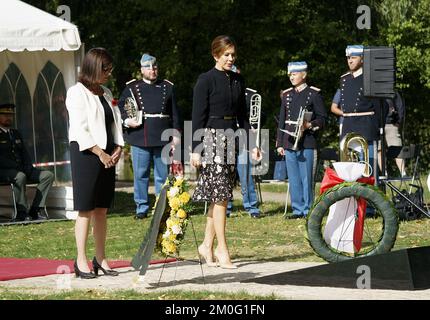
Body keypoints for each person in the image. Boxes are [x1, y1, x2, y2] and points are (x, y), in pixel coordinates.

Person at [191, 35, 259, 269]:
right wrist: (196, 150)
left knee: (219, 197)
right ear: (216, 55)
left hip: (232, 139)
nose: (231, 58)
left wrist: (253, 144)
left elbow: (243, 117)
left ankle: (206, 245)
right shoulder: (205, 80)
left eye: (233, 54)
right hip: (210, 140)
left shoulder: (239, 80)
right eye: (226, 54)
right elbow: (198, 116)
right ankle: (222, 250)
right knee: (221, 197)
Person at [66, 47, 124, 279]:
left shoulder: (107, 92)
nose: (108, 73)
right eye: (105, 69)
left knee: (102, 209)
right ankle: (80, 260)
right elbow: (80, 129)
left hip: (108, 155)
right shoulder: (76, 92)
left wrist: (119, 147)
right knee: (86, 208)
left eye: (109, 69)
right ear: (93, 68)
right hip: (86, 154)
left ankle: (100, 258)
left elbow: (115, 123)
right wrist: (100, 153)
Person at [118, 53, 181, 219]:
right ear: (141, 70)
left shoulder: (167, 87)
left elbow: (175, 114)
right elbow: (122, 109)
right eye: (148, 67)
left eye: (155, 67)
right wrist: (126, 121)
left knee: (162, 176)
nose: (152, 70)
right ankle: (141, 207)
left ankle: (161, 207)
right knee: (140, 175)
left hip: (162, 136)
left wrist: (176, 136)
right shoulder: (132, 88)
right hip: (140, 137)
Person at [276, 61, 326, 219]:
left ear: (303, 75)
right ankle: (297, 209)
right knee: (294, 178)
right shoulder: (287, 95)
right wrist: (279, 143)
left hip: (307, 141)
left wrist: (309, 124)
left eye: (295, 74)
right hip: (289, 141)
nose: (291, 77)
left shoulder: (314, 94)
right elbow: (282, 121)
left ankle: (308, 209)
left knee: (306, 178)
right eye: (290, 74)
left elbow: (323, 118)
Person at [330, 45, 382, 181]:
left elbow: (379, 107)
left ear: (362, 59)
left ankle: (370, 201)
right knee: (349, 169)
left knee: (368, 169)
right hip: (348, 126)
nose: (350, 61)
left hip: (366, 126)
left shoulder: (370, 78)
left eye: (353, 57)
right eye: (348, 58)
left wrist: (376, 127)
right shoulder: (344, 79)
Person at [0, 103, 54, 222]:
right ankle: (22, 212)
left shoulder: (15, 133)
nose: (8, 117)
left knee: (47, 176)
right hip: (5, 171)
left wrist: (29, 167)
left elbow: (24, 153)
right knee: (20, 177)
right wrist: (17, 168)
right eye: (4, 115)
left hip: (21, 169)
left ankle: (35, 210)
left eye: (10, 115)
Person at [226, 66, 261, 218]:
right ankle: (225, 206)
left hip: (244, 136)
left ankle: (251, 206)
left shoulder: (251, 94)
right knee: (225, 174)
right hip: (226, 135)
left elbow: (260, 116)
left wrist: (253, 127)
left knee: (245, 173)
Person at [378, 91, 406, 176]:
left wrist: (398, 122)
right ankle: (384, 174)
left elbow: (400, 107)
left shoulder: (393, 92)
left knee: (397, 150)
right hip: (377, 125)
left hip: (391, 124)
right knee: (379, 150)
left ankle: (403, 173)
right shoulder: (372, 91)